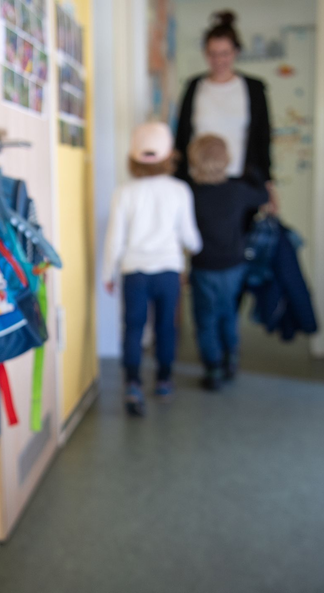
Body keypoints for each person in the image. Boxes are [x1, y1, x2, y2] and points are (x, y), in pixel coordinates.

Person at [103, 123, 202, 417]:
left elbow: (114, 238)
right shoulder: (180, 191)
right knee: (165, 328)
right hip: (169, 271)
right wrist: (196, 247)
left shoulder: (124, 192)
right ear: (170, 156)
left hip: (134, 271)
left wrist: (108, 274)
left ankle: (132, 384)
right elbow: (190, 238)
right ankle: (163, 381)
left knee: (133, 328)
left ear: (132, 158)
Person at [187, 135, 276, 391]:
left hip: (203, 266)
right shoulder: (237, 191)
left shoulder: (191, 192)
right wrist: (254, 173)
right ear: (226, 160)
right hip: (234, 265)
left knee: (205, 318)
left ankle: (212, 367)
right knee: (228, 314)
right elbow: (261, 196)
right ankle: (231, 359)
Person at [175, 11, 273, 187]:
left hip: (241, 181)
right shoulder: (194, 86)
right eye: (212, 53)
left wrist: (268, 182)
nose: (218, 60)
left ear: (236, 52)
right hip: (197, 181)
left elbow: (262, 138)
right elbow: (181, 137)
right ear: (205, 52)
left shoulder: (254, 89)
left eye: (225, 53)